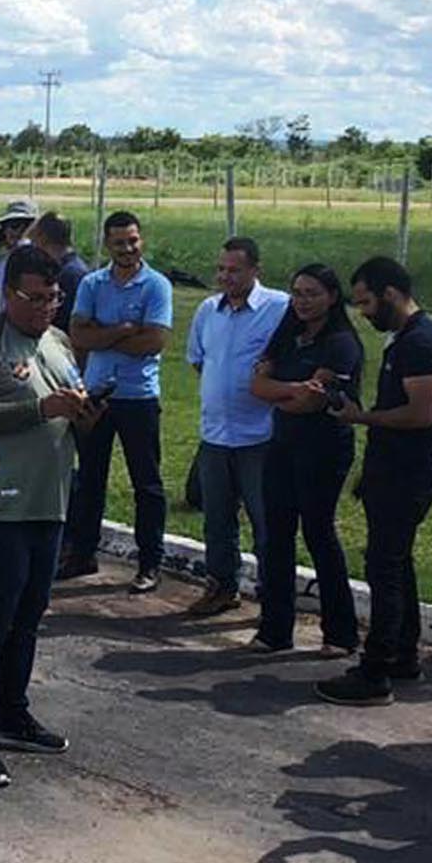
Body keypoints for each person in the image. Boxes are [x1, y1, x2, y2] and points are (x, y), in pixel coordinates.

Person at [0, 245, 100, 789]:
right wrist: (42, 409)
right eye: (34, 298)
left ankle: (13, 711)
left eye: (54, 298)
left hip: (49, 501)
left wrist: (82, 413)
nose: (45, 308)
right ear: (8, 292)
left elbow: (65, 411)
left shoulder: (59, 343)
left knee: (29, 615)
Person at [319, 258, 432, 708]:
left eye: (367, 303)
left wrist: (361, 417)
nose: (363, 313)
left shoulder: (421, 344)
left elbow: (421, 413)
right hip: (391, 469)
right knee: (396, 563)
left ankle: (375, 671)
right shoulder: (405, 341)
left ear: (391, 294)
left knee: (385, 568)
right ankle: (402, 653)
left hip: (407, 472)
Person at [246, 263, 363, 656]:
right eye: (297, 293)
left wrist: (280, 391)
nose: (303, 301)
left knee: (318, 533)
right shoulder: (288, 335)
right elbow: (257, 387)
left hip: (324, 449)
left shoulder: (341, 343)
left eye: (312, 293)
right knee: (275, 535)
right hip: (282, 444)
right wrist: (290, 389)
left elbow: (311, 402)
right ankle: (275, 629)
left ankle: (341, 632)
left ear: (332, 296)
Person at [62, 212, 173, 591]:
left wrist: (103, 335)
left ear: (141, 240)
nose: (127, 249)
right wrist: (125, 330)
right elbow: (78, 334)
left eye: (133, 241)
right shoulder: (92, 283)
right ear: (107, 244)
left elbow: (154, 342)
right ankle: (82, 553)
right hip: (96, 394)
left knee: (147, 483)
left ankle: (149, 563)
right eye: (119, 242)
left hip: (138, 396)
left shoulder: (157, 286)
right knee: (90, 479)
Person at [180, 236, 288, 615]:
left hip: (260, 434)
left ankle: (274, 596)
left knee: (266, 521)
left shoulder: (278, 308)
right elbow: (199, 360)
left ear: (255, 270)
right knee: (217, 518)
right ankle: (222, 585)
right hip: (216, 434)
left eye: (234, 270)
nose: (225, 277)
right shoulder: (208, 311)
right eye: (221, 269)